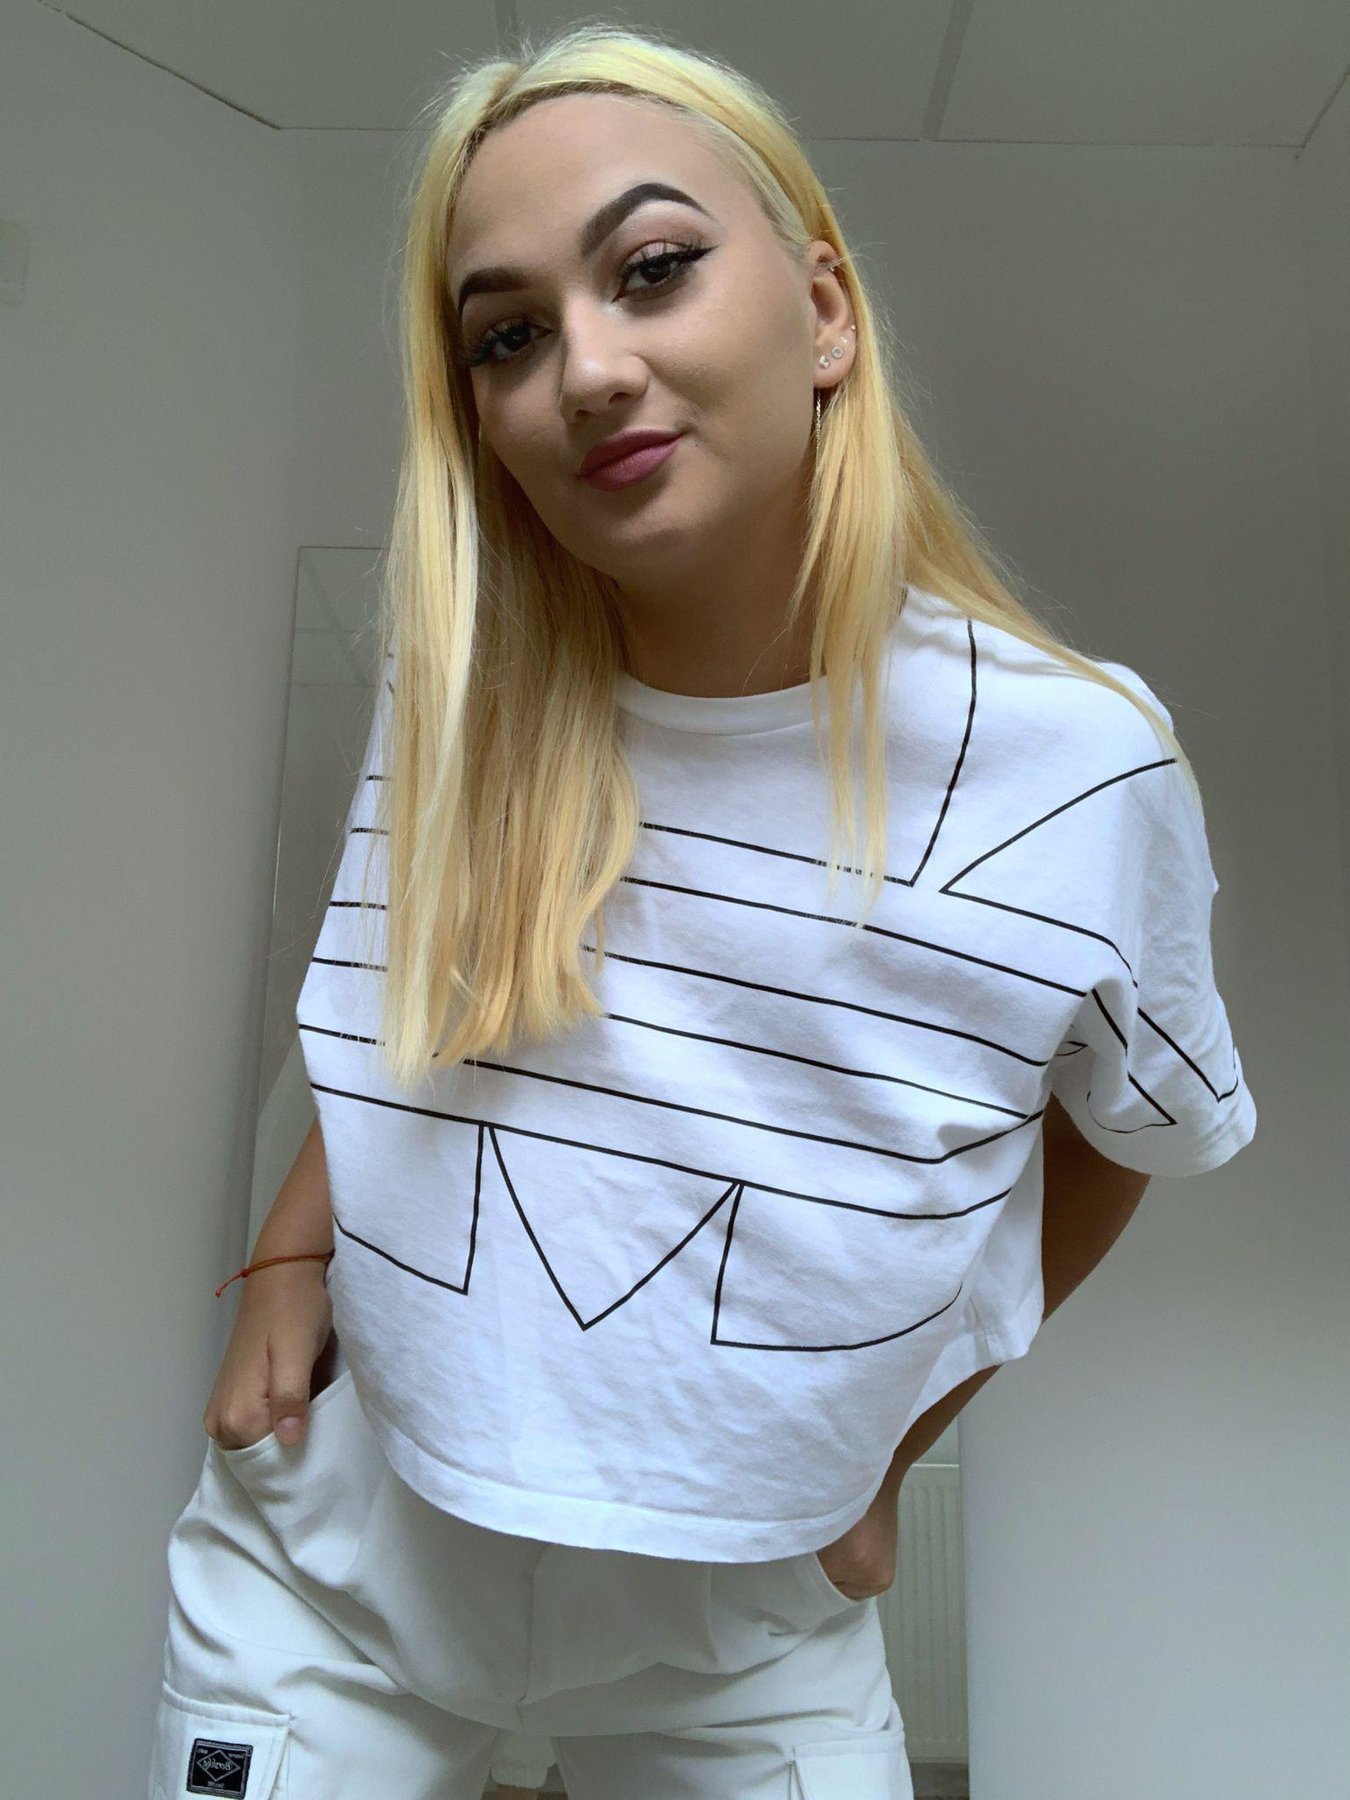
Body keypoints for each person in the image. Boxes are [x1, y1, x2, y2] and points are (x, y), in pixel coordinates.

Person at [146, 22, 1258, 1800]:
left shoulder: (1077, 766)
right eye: (507, 335)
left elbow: (1130, 1129)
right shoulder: (461, 688)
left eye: (651, 268)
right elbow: (407, 995)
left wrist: (899, 1438)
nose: (586, 370)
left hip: (746, 1627)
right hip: (336, 1571)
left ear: (821, 313)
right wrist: (287, 1257)